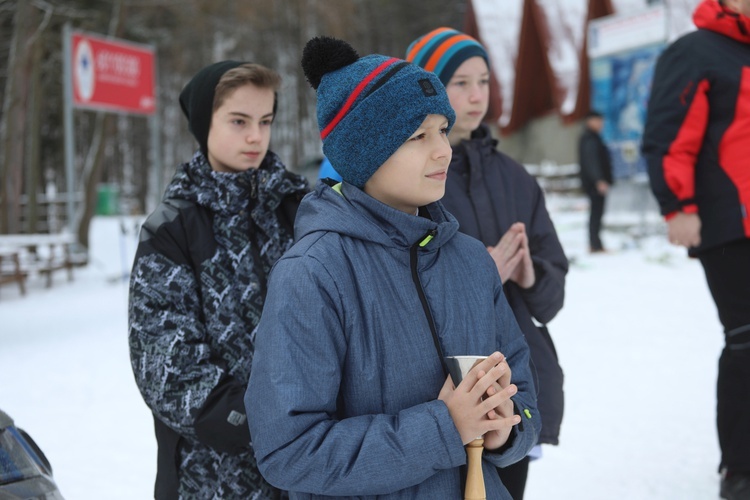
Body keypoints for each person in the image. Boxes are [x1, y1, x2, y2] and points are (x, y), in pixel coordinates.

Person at [245, 36, 540, 499]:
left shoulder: (468, 260)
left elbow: (523, 391)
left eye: (443, 130)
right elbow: (287, 451)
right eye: (418, 136)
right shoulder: (313, 274)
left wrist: (505, 428)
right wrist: (444, 428)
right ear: (366, 153)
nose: (443, 150)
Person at [128, 61, 309, 499]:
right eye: (239, 121)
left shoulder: (303, 210)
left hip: (312, 462)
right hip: (213, 478)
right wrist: (258, 424)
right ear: (203, 122)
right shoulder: (172, 228)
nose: (255, 136)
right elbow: (164, 362)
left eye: (265, 121)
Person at [406, 27, 568, 500]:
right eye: (460, 82)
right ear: (429, 86)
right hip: (433, 394)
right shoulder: (409, 177)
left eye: (484, 81)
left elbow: (553, 300)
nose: (476, 96)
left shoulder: (516, 178)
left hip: (513, 389)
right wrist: (480, 278)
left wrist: (528, 273)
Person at [641, 1, 750, 498]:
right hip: (730, 223)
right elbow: (668, 136)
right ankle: (741, 468)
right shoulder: (695, 51)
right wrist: (677, 205)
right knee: (747, 338)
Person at [577, 110, 613, 253]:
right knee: (596, 213)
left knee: (597, 213)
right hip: (595, 184)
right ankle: (595, 245)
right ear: (589, 121)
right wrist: (599, 180)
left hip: (595, 183)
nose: (600, 124)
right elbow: (591, 161)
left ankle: (596, 243)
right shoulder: (589, 139)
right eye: (597, 120)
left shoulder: (594, 137)